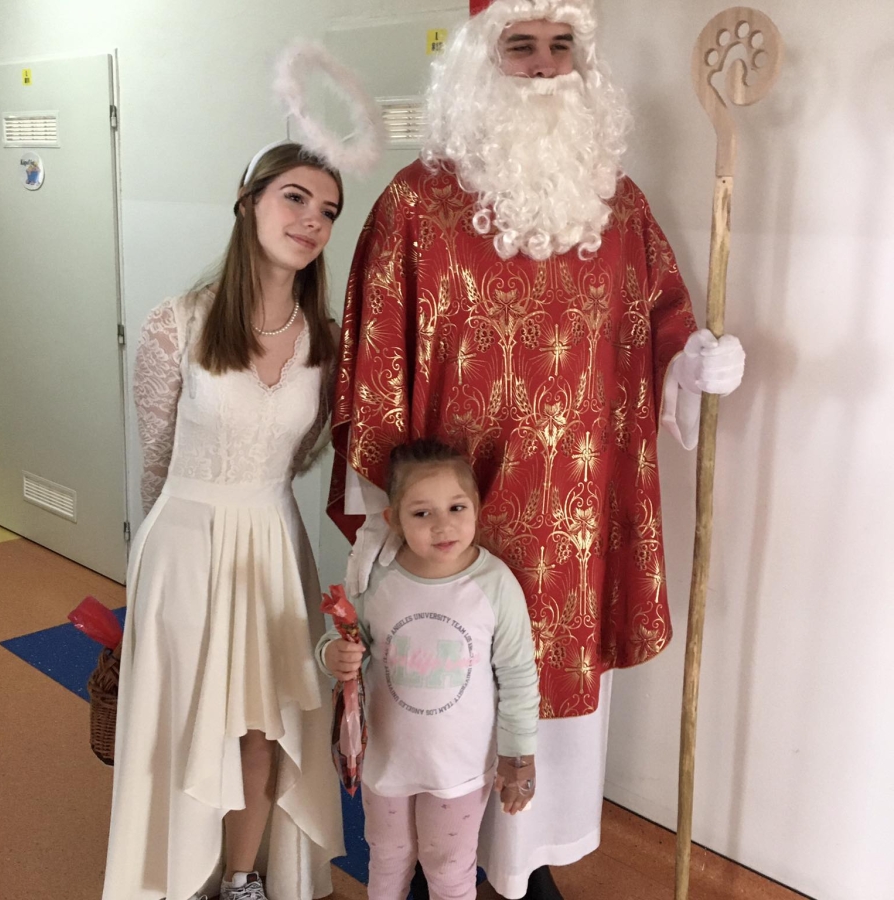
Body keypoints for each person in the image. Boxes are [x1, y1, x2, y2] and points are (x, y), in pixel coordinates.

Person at [327, 2, 747, 899]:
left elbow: (659, 318)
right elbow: (375, 363)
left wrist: (692, 358)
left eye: (562, 47)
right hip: (449, 528)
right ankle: (441, 861)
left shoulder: (618, 206)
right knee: (438, 696)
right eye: (522, 46)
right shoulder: (414, 206)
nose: (546, 66)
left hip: (572, 535)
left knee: (545, 702)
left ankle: (525, 861)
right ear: (480, 60)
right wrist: (381, 520)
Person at [102, 142, 347, 900]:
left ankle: (242, 877)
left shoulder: (325, 339)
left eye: (328, 211)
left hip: (272, 547)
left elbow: (300, 452)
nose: (311, 221)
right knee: (185, 725)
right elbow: (155, 460)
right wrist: (161, 563)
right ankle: (177, 878)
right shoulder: (177, 323)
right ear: (248, 201)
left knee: (263, 728)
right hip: (185, 545)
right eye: (294, 198)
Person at [317, 439, 540, 900]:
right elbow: (343, 639)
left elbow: (518, 675)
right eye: (422, 513)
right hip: (387, 763)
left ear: (476, 507)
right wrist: (330, 655)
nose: (443, 525)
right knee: (386, 861)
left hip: (459, 769)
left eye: (456, 507)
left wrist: (518, 756)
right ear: (394, 519)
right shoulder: (376, 578)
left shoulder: (494, 585)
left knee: (451, 870)